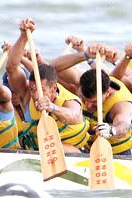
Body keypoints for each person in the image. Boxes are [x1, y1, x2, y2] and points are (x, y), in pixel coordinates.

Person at [6, 18, 90, 153]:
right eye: (33, 89)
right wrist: (23, 36)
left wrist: (52, 107)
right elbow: (12, 68)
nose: (36, 95)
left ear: (54, 89)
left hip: (73, 151)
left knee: (57, 147)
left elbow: (73, 116)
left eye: (42, 90)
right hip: (36, 152)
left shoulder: (70, 101)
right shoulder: (27, 95)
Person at [78, 57, 132, 156]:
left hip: (120, 152)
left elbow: (123, 125)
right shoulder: (82, 85)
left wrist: (111, 130)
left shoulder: (122, 104)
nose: (88, 106)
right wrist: (84, 54)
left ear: (107, 93)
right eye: (84, 99)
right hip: (91, 148)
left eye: (94, 102)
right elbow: (55, 68)